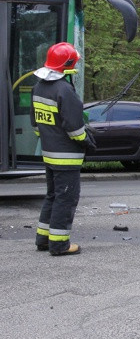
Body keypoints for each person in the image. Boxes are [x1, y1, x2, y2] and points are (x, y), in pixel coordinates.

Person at [30, 43, 95, 256]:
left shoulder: (38, 87)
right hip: (66, 158)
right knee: (66, 199)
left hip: (48, 154)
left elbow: (36, 124)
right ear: (68, 65)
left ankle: (44, 239)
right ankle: (59, 244)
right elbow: (74, 129)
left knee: (52, 196)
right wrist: (87, 140)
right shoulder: (65, 90)